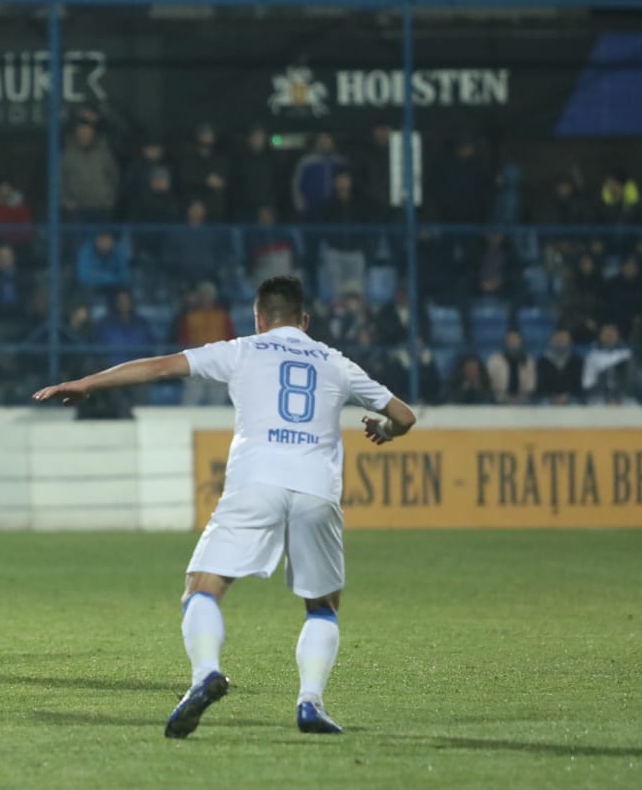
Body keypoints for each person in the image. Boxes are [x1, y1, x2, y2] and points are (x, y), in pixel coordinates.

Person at [32, 274, 416, 738]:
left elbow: (159, 368)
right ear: (305, 321)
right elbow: (404, 416)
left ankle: (205, 674)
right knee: (322, 606)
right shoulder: (336, 362)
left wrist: (87, 383)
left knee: (202, 588)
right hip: (318, 488)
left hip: (256, 481)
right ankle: (310, 702)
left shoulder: (243, 350)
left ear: (259, 319)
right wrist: (384, 430)